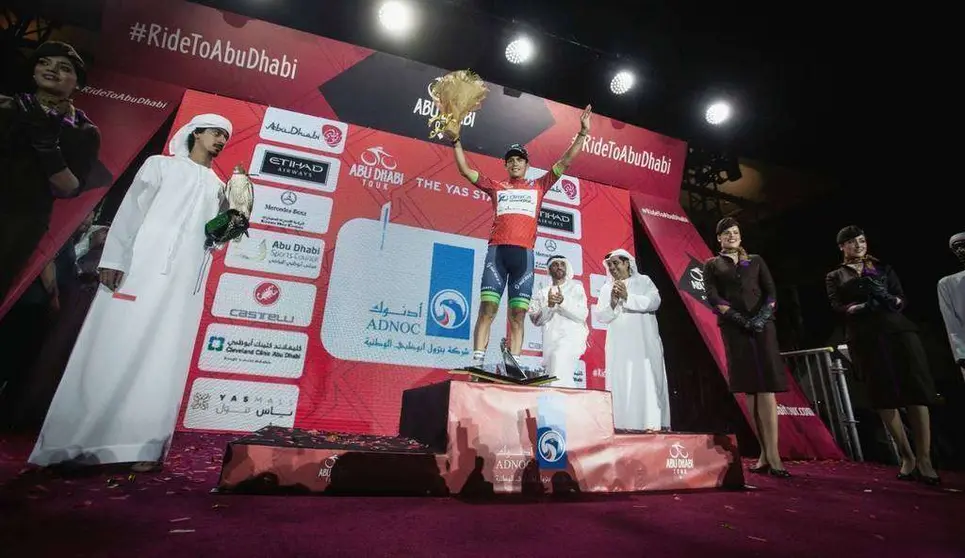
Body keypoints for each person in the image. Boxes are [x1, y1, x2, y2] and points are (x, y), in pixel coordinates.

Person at [29, 113, 233, 472]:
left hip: (183, 285)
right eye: (215, 132)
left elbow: (210, 238)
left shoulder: (220, 186)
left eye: (225, 137)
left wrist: (228, 226)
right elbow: (129, 214)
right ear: (196, 133)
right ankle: (72, 442)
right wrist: (115, 258)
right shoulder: (159, 166)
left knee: (164, 358)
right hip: (136, 272)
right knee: (108, 346)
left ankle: (143, 445)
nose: (220, 140)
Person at [452, 105, 592, 365]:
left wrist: (582, 133)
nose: (515, 162)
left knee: (517, 315)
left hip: (524, 259)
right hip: (498, 255)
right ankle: (478, 362)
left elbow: (566, 161)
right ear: (505, 164)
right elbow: (464, 170)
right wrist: (456, 140)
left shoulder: (539, 185)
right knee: (488, 309)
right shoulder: (496, 186)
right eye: (511, 159)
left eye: (520, 159)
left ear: (527, 165)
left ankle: (513, 364)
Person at [825, 226, 939, 485]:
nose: (858, 245)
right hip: (865, 336)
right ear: (842, 246)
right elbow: (837, 306)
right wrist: (858, 307)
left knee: (916, 391)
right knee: (883, 395)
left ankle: (925, 458)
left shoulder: (883, 269)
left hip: (898, 332)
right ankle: (906, 456)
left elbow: (901, 299)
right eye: (852, 242)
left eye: (862, 240)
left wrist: (887, 298)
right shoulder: (835, 275)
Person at [0, 41, 101, 302]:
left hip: (22, 219)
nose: (51, 70)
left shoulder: (84, 131)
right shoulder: (6, 108)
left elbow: (68, 188)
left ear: (78, 83)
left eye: (64, 67)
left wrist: (48, 148)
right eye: (44, 63)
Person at [703, 218, 790, 478]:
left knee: (766, 389)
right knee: (750, 390)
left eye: (736, 232)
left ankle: (773, 456)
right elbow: (713, 297)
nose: (732, 236)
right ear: (719, 238)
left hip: (763, 329)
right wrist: (740, 320)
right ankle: (765, 454)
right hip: (735, 329)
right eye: (726, 233)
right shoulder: (711, 265)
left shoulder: (756, 260)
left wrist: (761, 318)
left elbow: (771, 293)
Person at [592, 249, 670, 431]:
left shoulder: (644, 281)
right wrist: (612, 301)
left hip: (644, 344)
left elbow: (654, 302)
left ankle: (652, 425)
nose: (612, 267)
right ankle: (623, 426)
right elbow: (601, 316)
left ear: (627, 263)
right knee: (622, 382)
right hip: (619, 346)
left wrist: (627, 297)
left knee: (647, 381)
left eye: (616, 263)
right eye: (609, 265)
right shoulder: (606, 288)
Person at [528, 256, 589, 388]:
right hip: (551, 340)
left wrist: (563, 302)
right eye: (555, 264)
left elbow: (582, 315)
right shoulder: (542, 292)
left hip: (572, 337)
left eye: (562, 264)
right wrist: (549, 306)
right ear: (549, 270)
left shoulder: (576, 288)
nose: (559, 266)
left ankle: (558, 404)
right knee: (555, 375)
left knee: (559, 360)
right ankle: (563, 405)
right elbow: (536, 320)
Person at [938, 232, 965, 380]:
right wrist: (961, 354)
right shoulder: (947, 283)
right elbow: (951, 323)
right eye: (956, 248)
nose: (960, 251)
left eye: (963, 246)